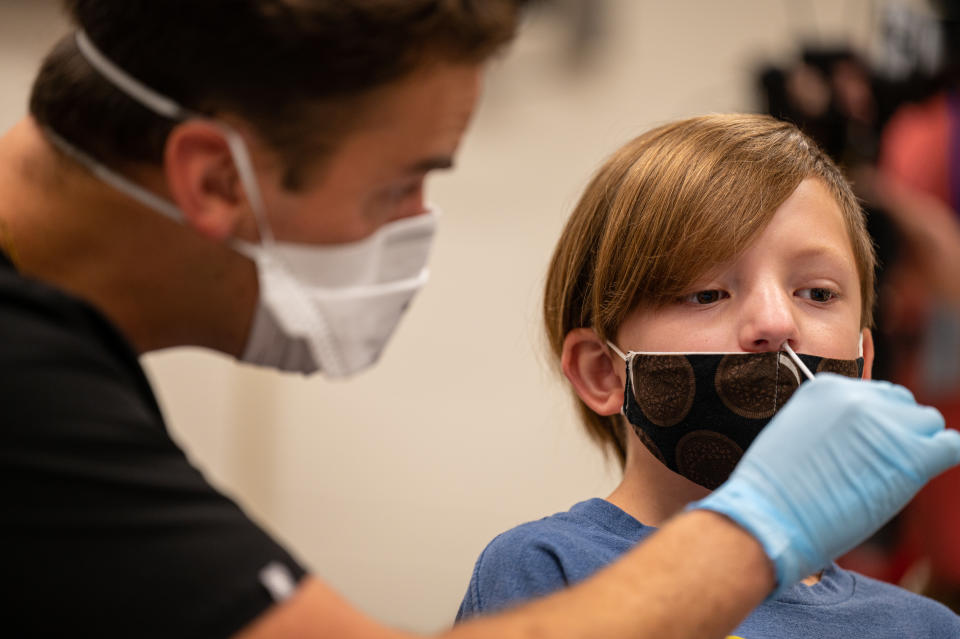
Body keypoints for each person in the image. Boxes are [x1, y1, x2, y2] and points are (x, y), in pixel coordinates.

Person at [0, 3, 957, 638]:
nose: (418, 224)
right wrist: (764, 526)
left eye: (818, 293)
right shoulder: (28, 389)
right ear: (215, 179)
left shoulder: (55, 380)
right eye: (398, 182)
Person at [456, 114, 960, 637]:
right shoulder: (547, 570)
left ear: (865, 361)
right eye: (706, 294)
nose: (775, 323)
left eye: (817, 293)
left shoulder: (923, 626)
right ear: (602, 371)